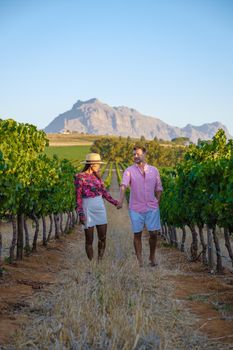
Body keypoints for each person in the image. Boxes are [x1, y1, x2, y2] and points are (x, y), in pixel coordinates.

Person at [117, 145, 163, 267]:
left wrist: (157, 201)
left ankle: (152, 257)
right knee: (137, 234)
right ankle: (139, 261)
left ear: (144, 154)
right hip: (136, 208)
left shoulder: (154, 170)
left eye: (138, 154)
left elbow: (159, 188)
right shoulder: (129, 171)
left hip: (152, 207)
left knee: (153, 234)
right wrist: (121, 200)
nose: (135, 156)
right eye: (134, 154)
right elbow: (123, 185)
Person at [74, 153, 119, 261]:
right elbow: (78, 197)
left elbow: (104, 193)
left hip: (99, 207)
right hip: (87, 207)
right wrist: (80, 213)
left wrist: (116, 203)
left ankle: (100, 260)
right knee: (89, 240)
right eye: (98, 163)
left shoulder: (97, 176)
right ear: (92, 164)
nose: (99, 165)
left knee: (103, 237)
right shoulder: (79, 177)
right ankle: (91, 263)